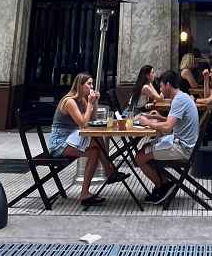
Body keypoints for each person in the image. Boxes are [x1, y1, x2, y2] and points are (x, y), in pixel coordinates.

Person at [48, 73, 129, 206]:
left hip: (72, 138)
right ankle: (109, 171)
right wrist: (90, 103)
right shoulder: (70, 101)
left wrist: (94, 102)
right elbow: (83, 124)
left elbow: (92, 119)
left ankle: (86, 193)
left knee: (95, 149)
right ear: (80, 85)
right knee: (95, 142)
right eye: (89, 84)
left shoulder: (81, 100)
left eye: (92, 84)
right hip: (59, 144)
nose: (91, 87)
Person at [135, 70, 200, 204]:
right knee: (146, 148)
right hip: (184, 144)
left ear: (168, 85)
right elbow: (173, 121)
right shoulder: (183, 97)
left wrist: (147, 122)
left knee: (140, 157)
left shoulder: (178, 101)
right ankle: (164, 183)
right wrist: (156, 117)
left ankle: (163, 186)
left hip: (182, 149)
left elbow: (167, 128)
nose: (160, 89)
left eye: (161, 86)